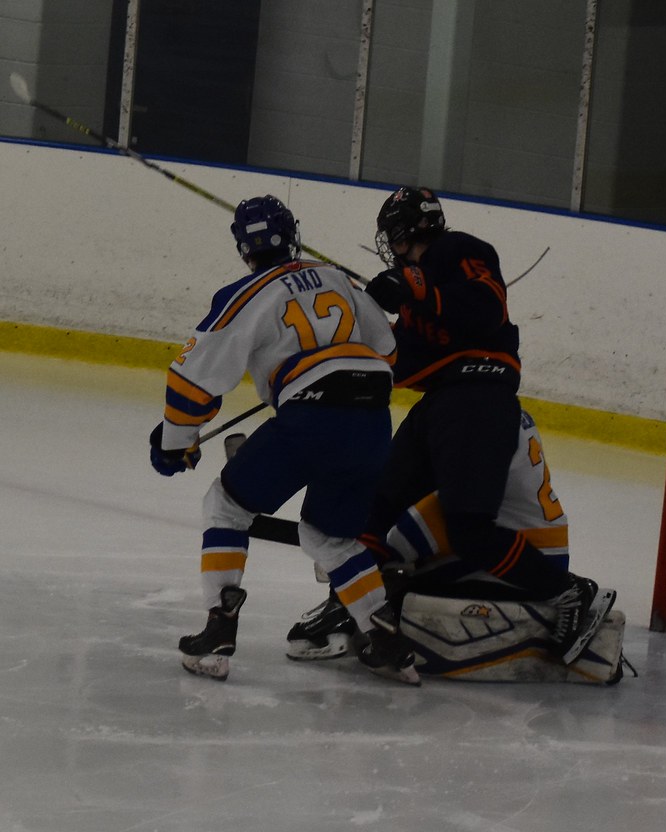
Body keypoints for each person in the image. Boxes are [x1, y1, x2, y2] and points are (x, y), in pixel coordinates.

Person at [288, 185, 611, 665]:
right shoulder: (417, 298)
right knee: (375, 509)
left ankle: (569, 593)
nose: (390, 246)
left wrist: (412, 289)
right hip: (441, 404)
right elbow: (402, 364)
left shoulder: (462, 250)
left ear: (410, 229)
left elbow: (486, 307)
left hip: (481, 397)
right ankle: (354, 604)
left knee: (469, 529)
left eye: (393, 235)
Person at [149, 194, 419, 685]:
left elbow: (194, 380)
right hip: (373, 421)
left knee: (226, 508)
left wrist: (174, 439)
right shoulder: (338, 278)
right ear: (293, 233)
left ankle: (219, 629)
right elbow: (389, 352)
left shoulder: (246, 293)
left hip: (310, 420)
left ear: (242, 248)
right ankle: (385, 637)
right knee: (330, 537)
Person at [285, 406, 571, 660]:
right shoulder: (482, 406)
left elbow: (458, 517)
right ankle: (351, 603)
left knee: (398, 581)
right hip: (528, 542)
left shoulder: (469, 415)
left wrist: (363, 572)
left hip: (528, 555)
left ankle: (568, 588)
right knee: (392, 562)